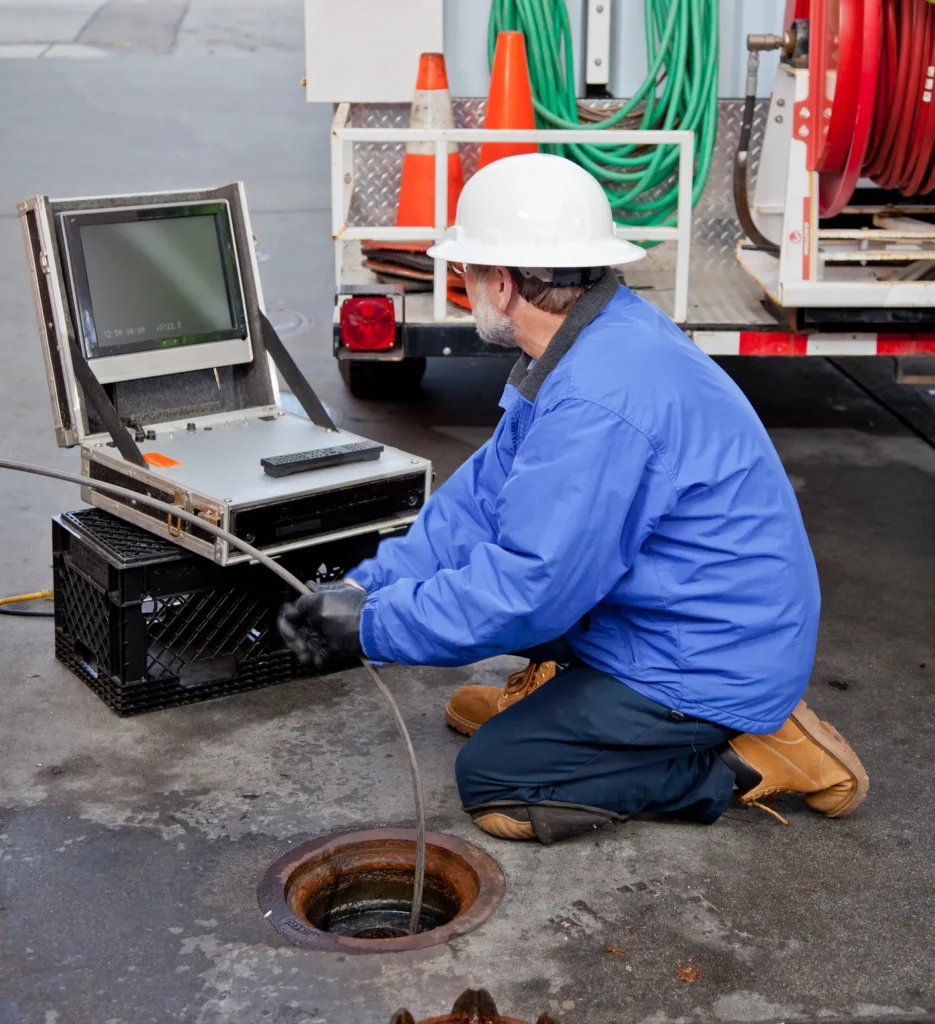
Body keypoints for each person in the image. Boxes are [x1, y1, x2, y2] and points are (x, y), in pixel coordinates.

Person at [279, 153, 868, 844]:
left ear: (502, 284)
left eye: (467, 273)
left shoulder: (597, 398)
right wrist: (362, 586)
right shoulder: (585, 341)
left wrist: (371, 629)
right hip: (681, 610)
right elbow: (476, 508)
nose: (464, 288)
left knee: (499, 781)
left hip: (706, 656)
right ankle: (576, 708)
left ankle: (746, 758)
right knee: (487, 585)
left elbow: (530, 588)